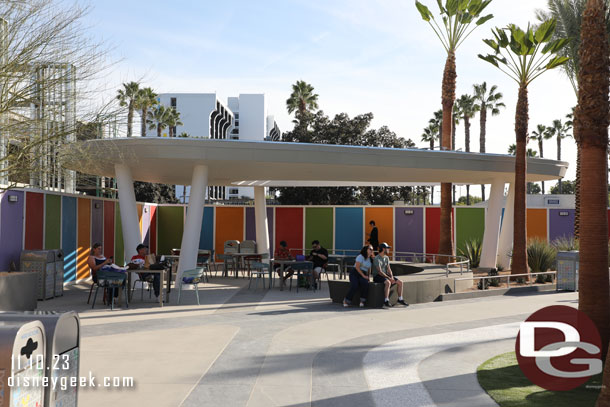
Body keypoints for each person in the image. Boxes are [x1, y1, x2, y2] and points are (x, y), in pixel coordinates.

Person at [373, 243, 408, 307]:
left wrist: (391, 276)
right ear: (383, 249)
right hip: (377, 276)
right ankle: (386, 300)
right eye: (387, 248)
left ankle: (400, 299)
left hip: (385, 275)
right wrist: (389, 278)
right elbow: (380, 272)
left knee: (400, 282)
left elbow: (389, 268)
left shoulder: (386, 258)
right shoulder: (376, 258)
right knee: (388, 282)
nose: (389, 250)